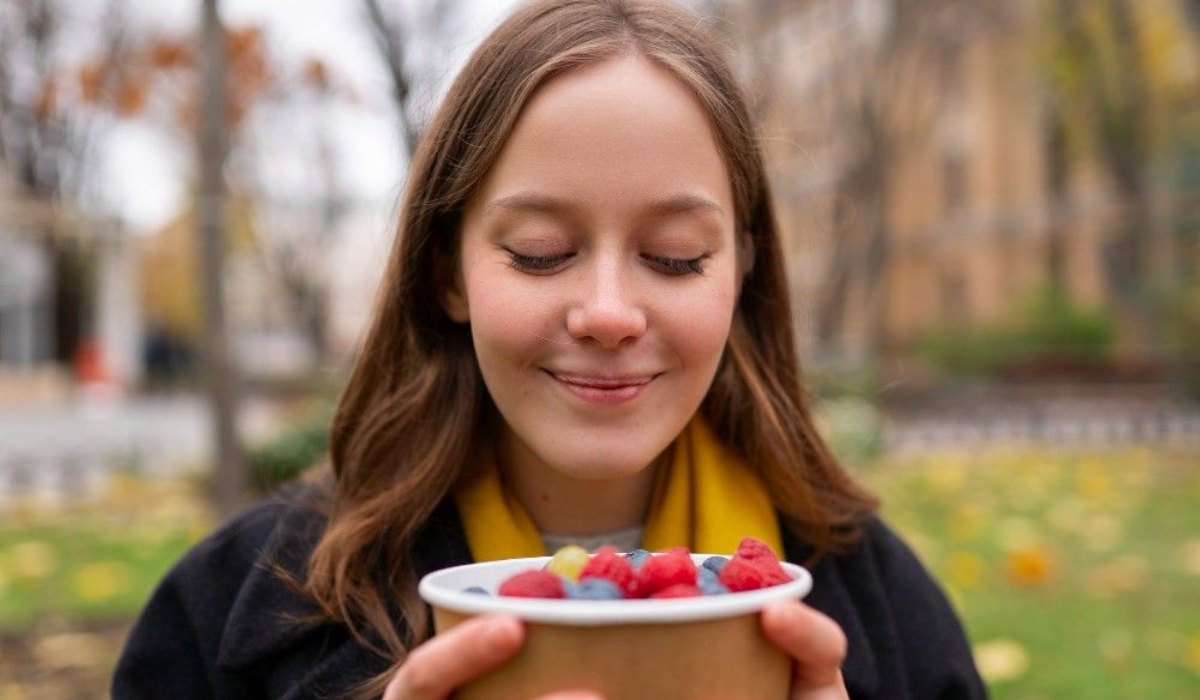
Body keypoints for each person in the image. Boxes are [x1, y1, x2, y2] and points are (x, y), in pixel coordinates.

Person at [113, 1, 987, 698]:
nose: (608, 313)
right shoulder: (229, 611)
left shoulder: (881, 607)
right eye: (539, 252)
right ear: (446, 271)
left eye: (675, 256)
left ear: (741, 274)